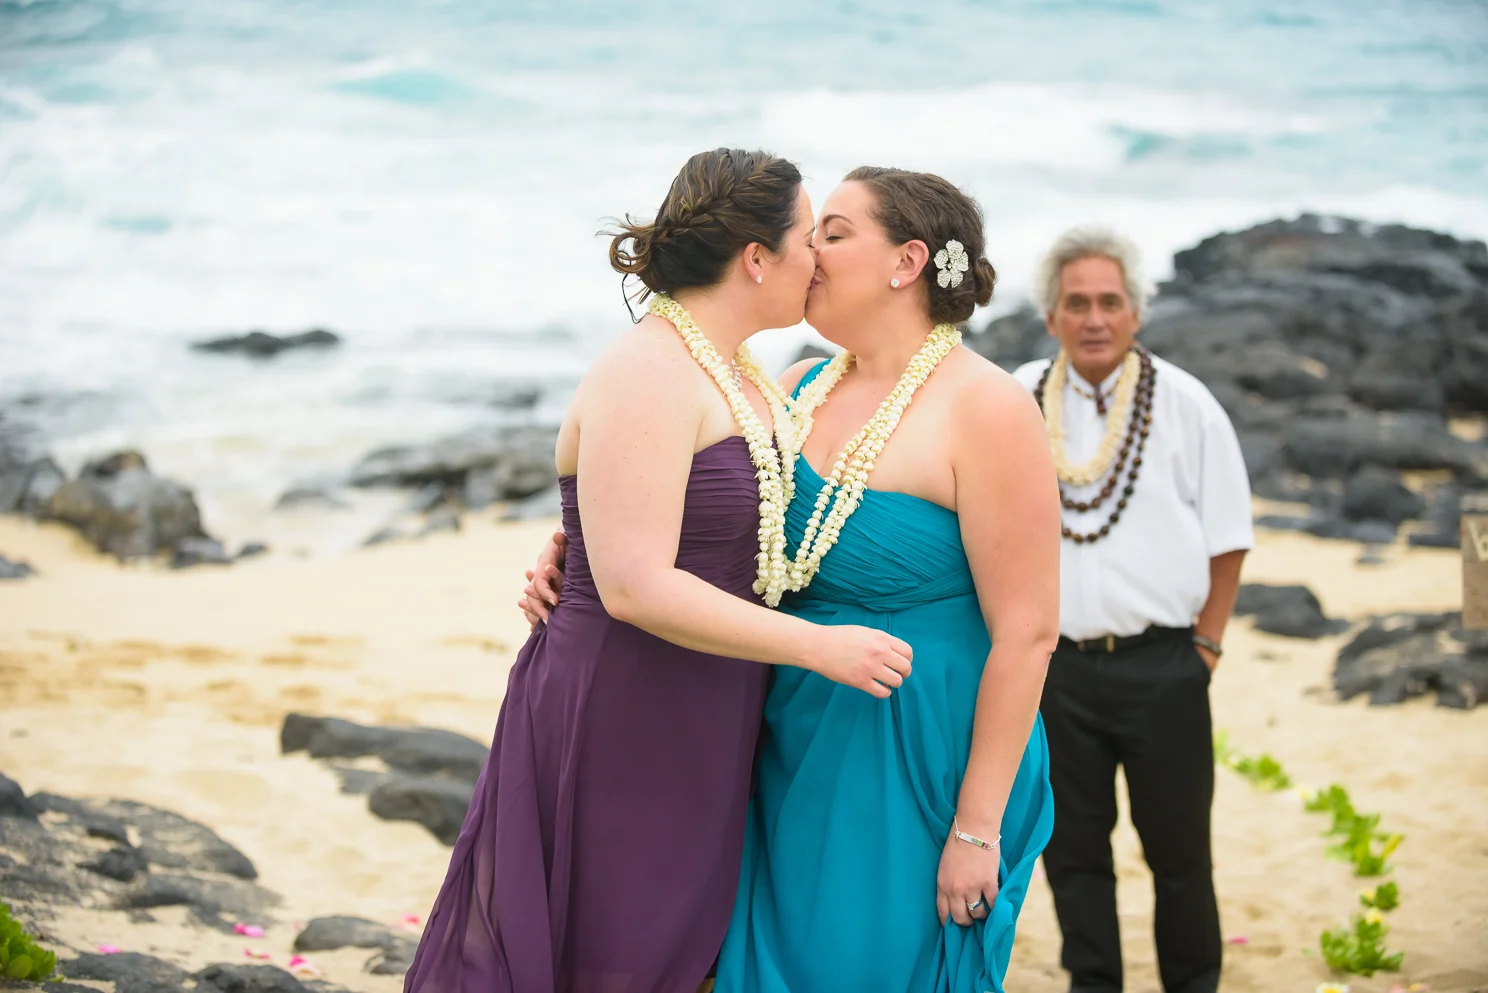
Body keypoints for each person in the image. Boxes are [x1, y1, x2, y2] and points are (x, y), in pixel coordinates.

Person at [526, 167, 1061, 992]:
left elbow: (1028, 630)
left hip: (919, 747)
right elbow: (692, 514)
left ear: (906, 261)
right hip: (784, 732)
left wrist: (978, 827)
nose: (808, 251)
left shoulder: (987, 407)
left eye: (835, 233)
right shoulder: (794, 389)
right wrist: (575, 546)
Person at [405, 148, 914, 993]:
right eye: (804, 237)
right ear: (756, 258)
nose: (816, 257)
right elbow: (636, 583)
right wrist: (819, 649)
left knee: (672, 945)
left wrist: (569, 536)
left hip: (704, 698)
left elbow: (694, 511)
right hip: (623, 701)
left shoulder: (742, 370)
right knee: (613, 942)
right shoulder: (647, 367)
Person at [1011, 228, 1253, 993]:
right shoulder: (1013, 400)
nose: (1093, 318)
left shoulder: (1187, 406)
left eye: (1109, 302)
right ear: (1050, 317)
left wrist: (1206, 647)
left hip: (1165, 668)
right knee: (1074, 856)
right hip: (1054, 674)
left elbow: (1229, 538)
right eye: (1075, 303)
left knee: (1180, 856)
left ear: (1136, 313)